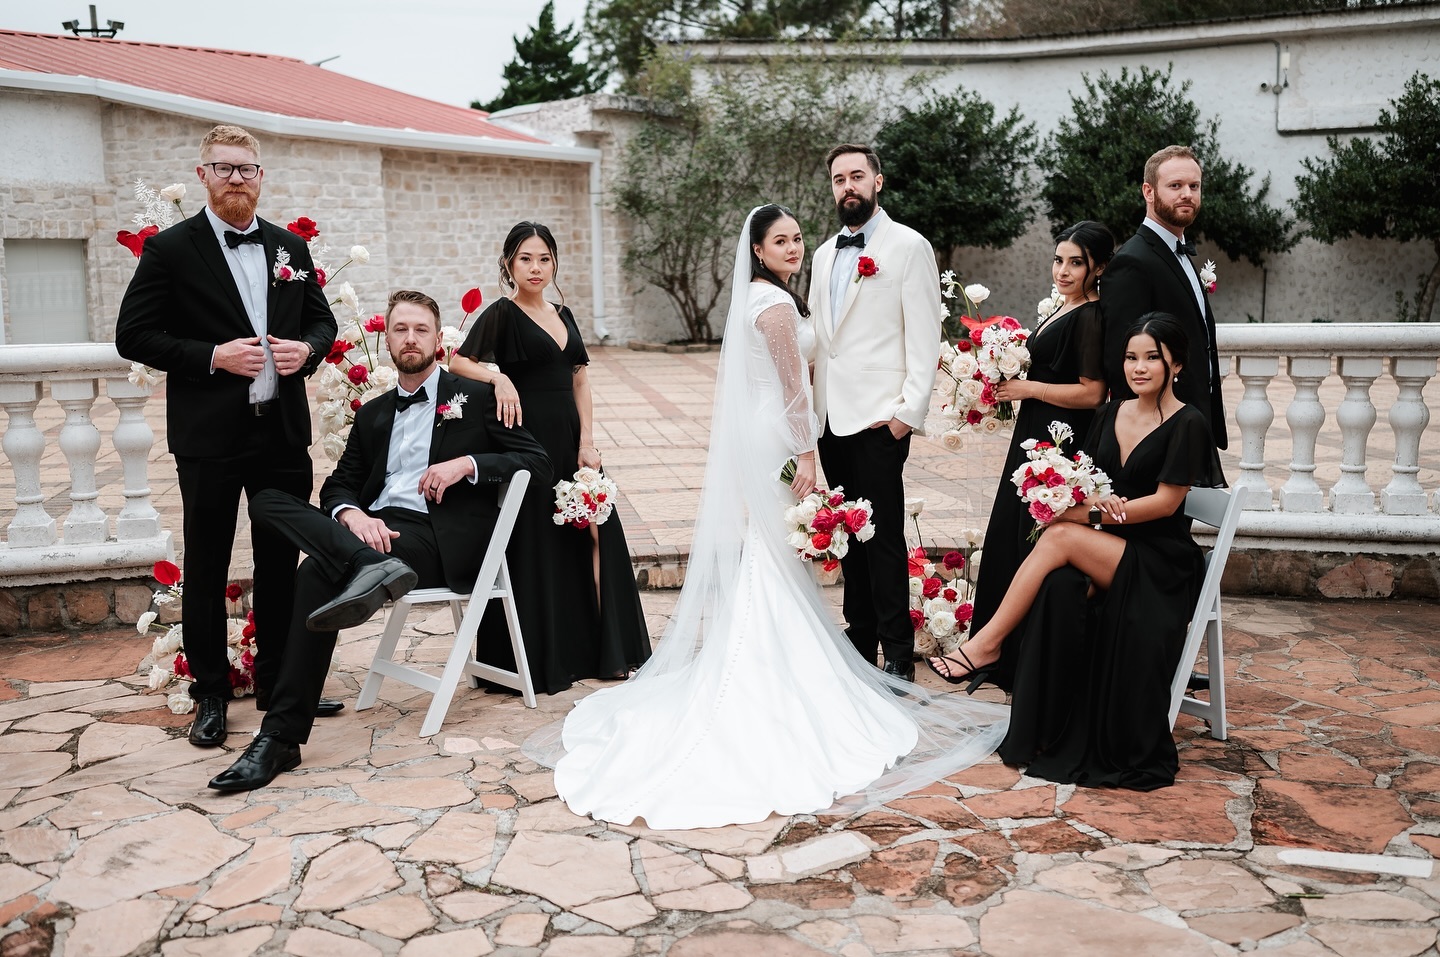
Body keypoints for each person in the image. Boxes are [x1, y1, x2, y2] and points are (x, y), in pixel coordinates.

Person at [521, 205, 1008, 829]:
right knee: (777, 549)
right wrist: (807, 454)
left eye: (798, 238)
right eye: (780, 241)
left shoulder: (762, 297)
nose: (794, 248)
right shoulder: (774, 305)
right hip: (779, 434)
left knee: (772, 547)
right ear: (757, 250)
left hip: (765, 429)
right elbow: (792, 385)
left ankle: (776, 655)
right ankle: (773, 666)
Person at [207, 290, 550, 791]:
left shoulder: (477, 399)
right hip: (377, 533)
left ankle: (280, 737)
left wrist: (466, 464)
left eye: (421, 330)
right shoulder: (373, 414)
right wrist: (353, 515)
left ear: (439, 340)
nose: (410, 339)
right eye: (400, 329)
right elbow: (339, 486)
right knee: (267, 500)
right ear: (386, 339)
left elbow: (537, 463)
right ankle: (364, 566)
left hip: (435, 540)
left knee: (314, 572)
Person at [928, 315, 1223, 790]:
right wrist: (1073, 500)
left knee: (1060, 537)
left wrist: (1092, 516)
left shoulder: (1188, 422)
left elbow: (1165, 504)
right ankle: (1045, 726)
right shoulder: (1110, 413)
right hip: (1110, 549)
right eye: (1131, 357)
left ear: (1176, 365)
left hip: (1160, 561)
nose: (1139, 367)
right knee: (1059, 585)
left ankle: (986, 645)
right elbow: (1084, 480)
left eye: (1152, 358)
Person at [115, 124, 338, 749]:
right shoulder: (170, 250)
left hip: (281, 434)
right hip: (210, 438)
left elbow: (321, 321)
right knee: (209, 565)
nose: (235, 178)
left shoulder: (291, 248)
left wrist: (308, 350)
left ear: (260, 176)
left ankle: (277, 685)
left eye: (246, 168)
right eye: (223, 168)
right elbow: (133, 335)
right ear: (203, 176)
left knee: (281, 565)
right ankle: (209, 694)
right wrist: (212, 356)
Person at [450, 223, 650, 694]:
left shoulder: (564, 313)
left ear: (554, 263)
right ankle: (543, 659)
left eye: (544, 258)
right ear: (509, 264)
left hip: (572, 442)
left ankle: (607, 650)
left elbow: (580, 379)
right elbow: (458, 361)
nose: (535, 268)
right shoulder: (502, 313)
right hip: (529, 440)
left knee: (599, 533)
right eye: (525, 259)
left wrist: (588, 442)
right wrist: (499, 378)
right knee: (540, 545)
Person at [809, 144, 945, 680]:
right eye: (839, 178)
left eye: (857, 176)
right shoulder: (824, 253)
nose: (848, 186)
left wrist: (905, 415)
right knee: (847, 534)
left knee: (883, 537)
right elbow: (824, 337)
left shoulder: (909, 246)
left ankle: (898, 652)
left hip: (878, 419)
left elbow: (925, 335)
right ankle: (860, 639)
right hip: (830, 418)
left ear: (877, 181)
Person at [962, 222, 1112, 642]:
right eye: (1058, 260)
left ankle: (1017, 647)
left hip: (1059, 441)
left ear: (1098, 268)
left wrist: (1028, 388)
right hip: (1036, 433)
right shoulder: (1064, 306)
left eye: (1076, 263)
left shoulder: (1091, 315)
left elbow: (1093, 393)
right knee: (1010, 532)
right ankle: (999, 643)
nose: (1063, 271)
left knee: (1029, 534)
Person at [1100, 145, 1228, 451]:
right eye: (1175, 186)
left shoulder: (1179, 253)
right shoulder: (1132, 261)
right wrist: (1140, 439)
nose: (1187, 194)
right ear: (1148, 191)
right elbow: (1121, 359)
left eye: (1194, 186)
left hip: (1194, 419)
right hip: (1159, 430)